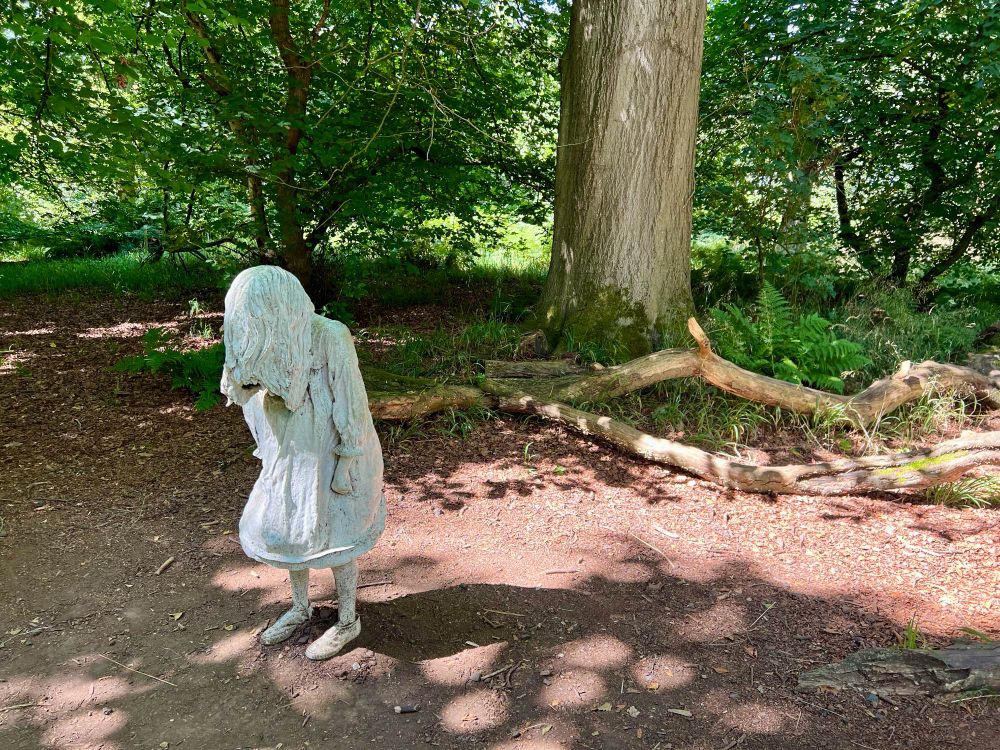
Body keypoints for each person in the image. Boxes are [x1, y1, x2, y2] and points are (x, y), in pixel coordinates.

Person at [220, 265, 385, 660]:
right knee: (290, 526)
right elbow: (245, 394)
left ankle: (347, 619)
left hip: (332, 453)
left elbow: (352, 403)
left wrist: (348, 459)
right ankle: (300, 607)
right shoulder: (264, 340)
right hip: (289, 453)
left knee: (337, 533)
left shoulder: (330, 335)